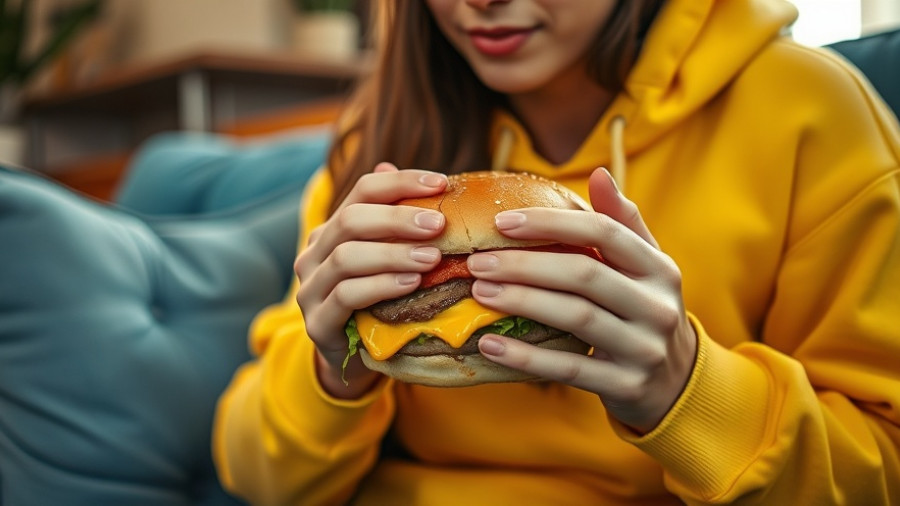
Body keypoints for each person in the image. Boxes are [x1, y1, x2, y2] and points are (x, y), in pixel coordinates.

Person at [212, 0, 900, 504]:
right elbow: (252, 469)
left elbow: (883, 471)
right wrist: (333, 372)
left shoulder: (806, 111)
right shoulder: (381, 132)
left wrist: (686, 393)